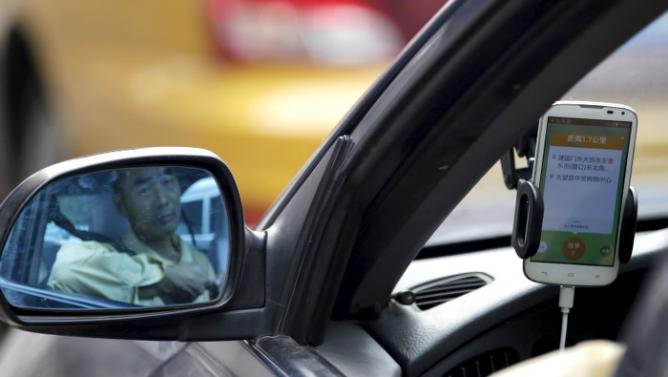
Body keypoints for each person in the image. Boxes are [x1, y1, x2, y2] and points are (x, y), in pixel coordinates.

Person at [47, 167, 217, 306]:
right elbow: (66, 271)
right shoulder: (108, 256)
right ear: (121, 205)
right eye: (145, 190)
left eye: (167, 181)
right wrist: (162, 280)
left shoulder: (199, 260)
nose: (163, 200)